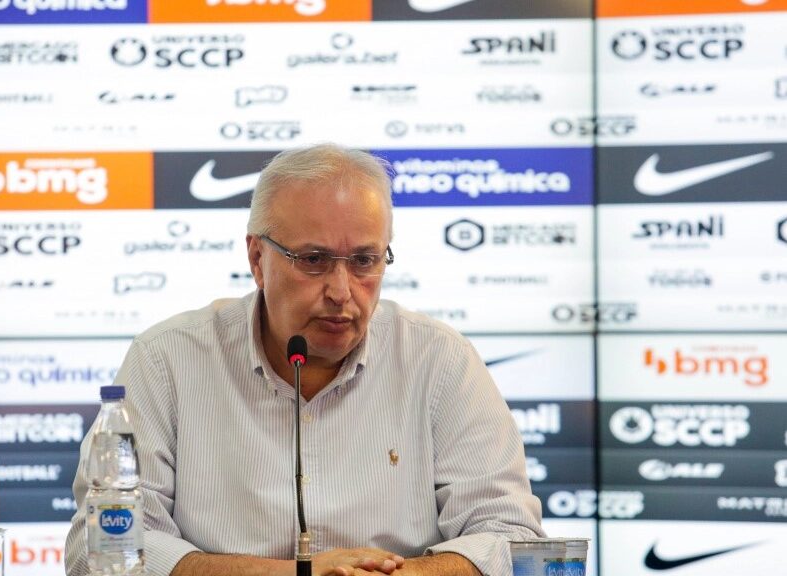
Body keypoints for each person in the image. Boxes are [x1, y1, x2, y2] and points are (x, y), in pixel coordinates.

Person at [65, 143, 544, 576]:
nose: (341, 292)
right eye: (313, 259)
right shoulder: (167, 360)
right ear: (257, 259)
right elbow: (97, 549)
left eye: (364, 261)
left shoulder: (440, 361)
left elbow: (511, 537)